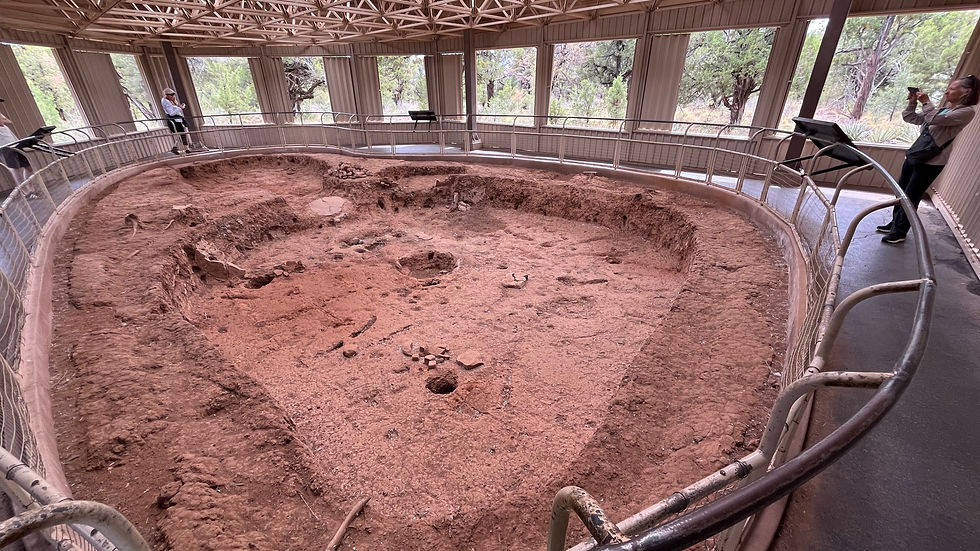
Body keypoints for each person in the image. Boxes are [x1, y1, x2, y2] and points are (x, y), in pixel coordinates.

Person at [878, 75, 979, 244]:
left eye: (952, 88)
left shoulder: (966, 112)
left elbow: (933, 118)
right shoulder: (944, 108)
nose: (947, 91)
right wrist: (912, 103)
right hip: (917, 154)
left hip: (931, 161)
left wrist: (926, 102)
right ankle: (895, 223)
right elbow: (914, 119)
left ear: (966, 92)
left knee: (911, 195)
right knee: (901, 190)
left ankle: (900, 231)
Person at [0, 109, 36, 185]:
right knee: (16, 170)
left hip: (15, 143)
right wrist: (2, 119)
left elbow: (9, 121)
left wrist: (3, 119)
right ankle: (26, 192)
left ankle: (28, 185)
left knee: (29, 167)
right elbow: (1, 123)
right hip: (4, 146)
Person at [161, 87, 189, 154]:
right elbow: (171, 113)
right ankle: (186, 148)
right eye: (171, 95)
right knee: (182, 134)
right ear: (167, 95)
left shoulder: (169, 101)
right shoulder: (166, 102)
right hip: (174, 121)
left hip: (177, 120)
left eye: (173, 95)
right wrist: (180, 108)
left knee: (180, 135)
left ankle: (178, 148)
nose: (173, 96)